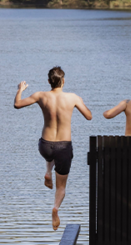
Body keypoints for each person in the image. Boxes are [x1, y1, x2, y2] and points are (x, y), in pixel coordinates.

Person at [13, 66, 92, 231]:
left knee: (50, 155)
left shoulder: (40, 96)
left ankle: (48, 171)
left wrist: (20, 89)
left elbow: (17, 104)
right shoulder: (73, 98)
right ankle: (55, 208)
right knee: (61, 186)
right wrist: (80, 103)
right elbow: (89, 116)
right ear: (63, 81)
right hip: (64, 146)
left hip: (45, 145)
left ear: (49, 81)